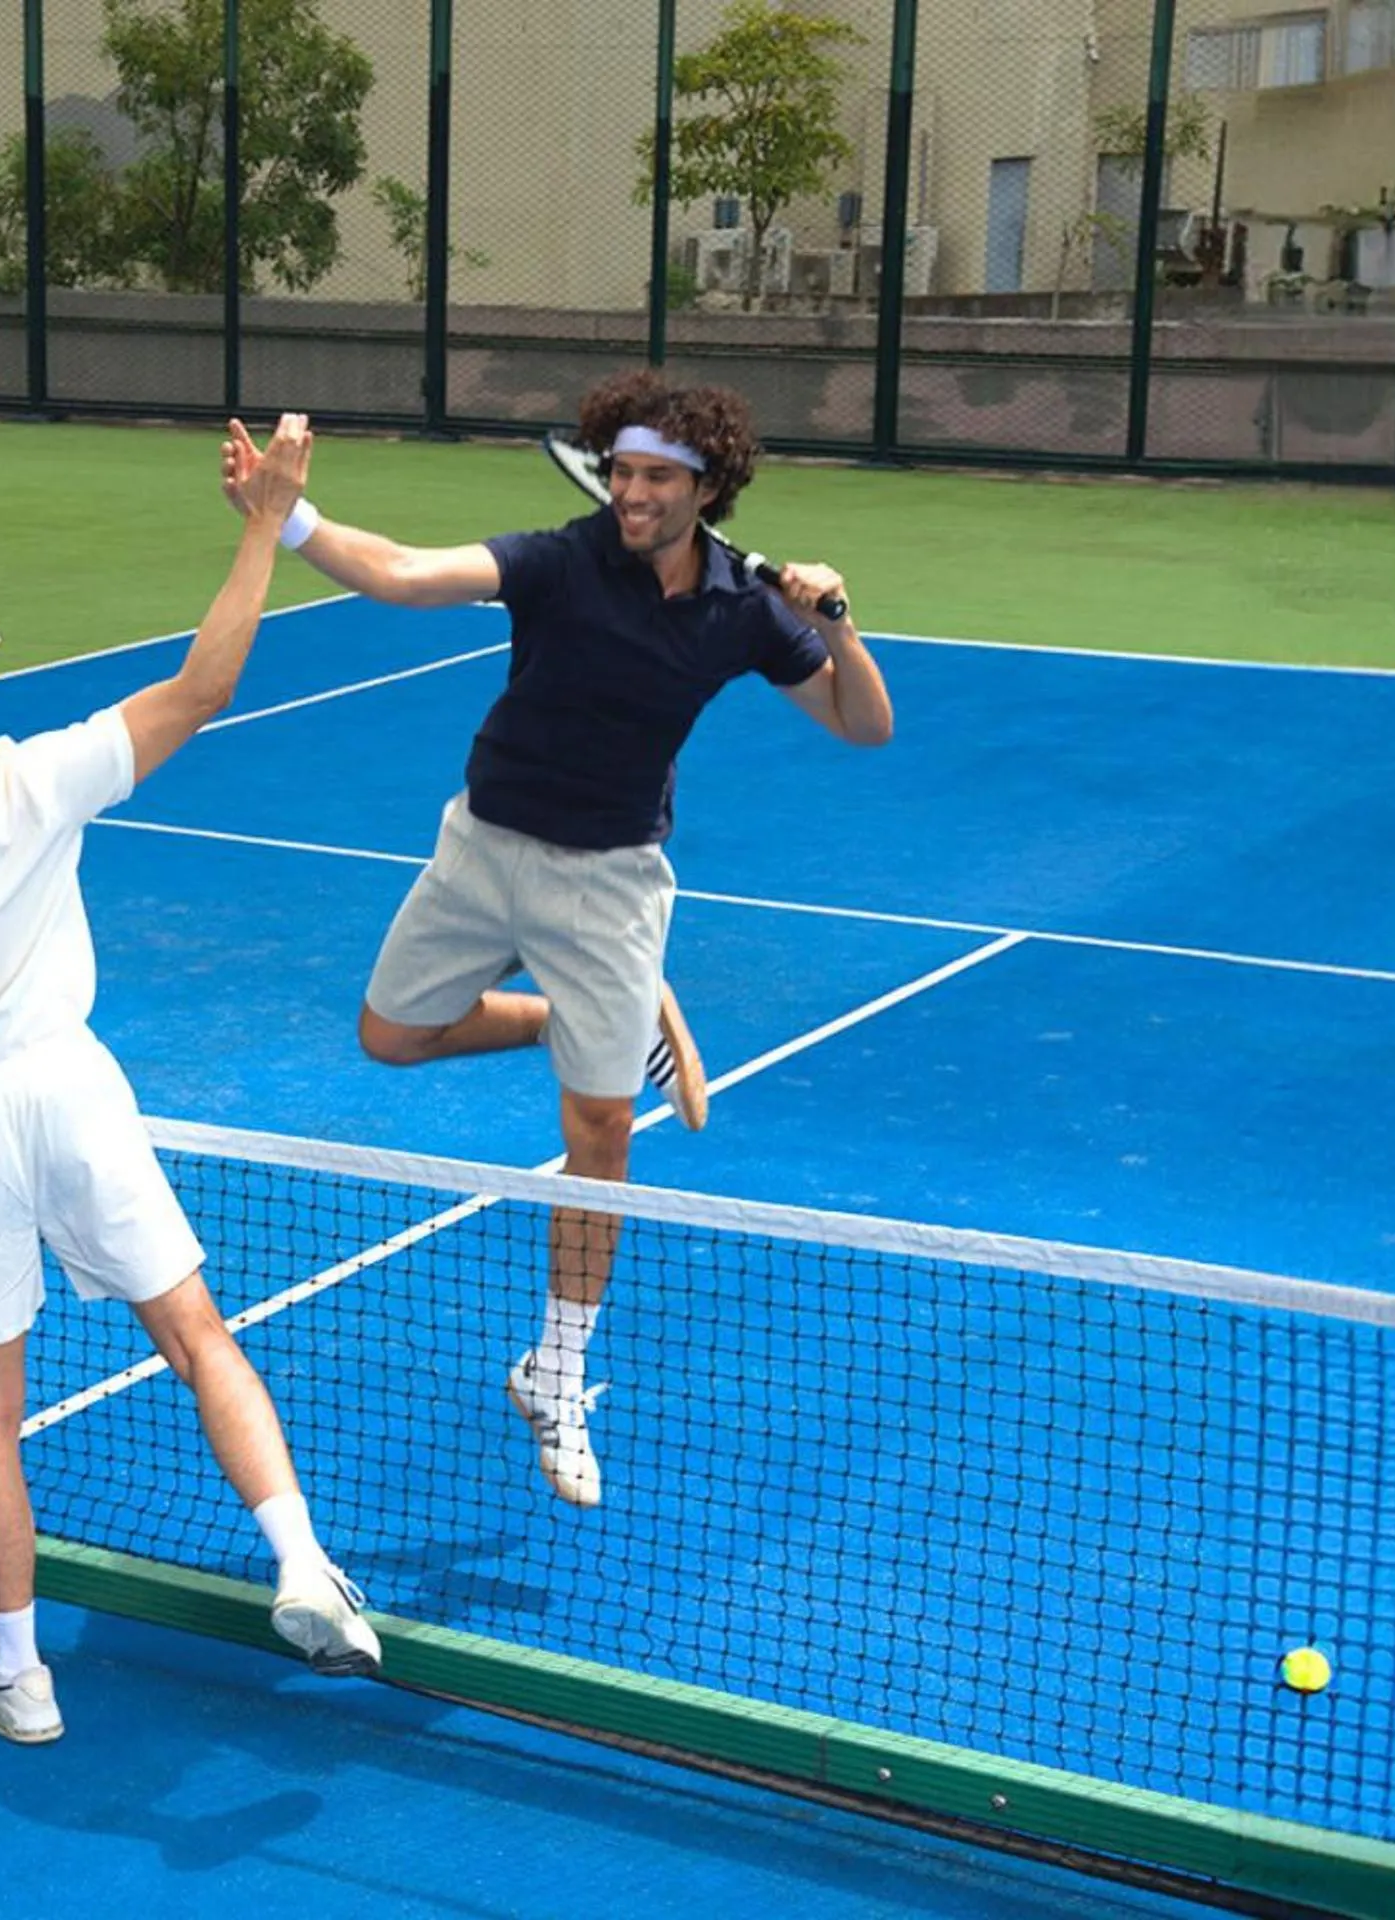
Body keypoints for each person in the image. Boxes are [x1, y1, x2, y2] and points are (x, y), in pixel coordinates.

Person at [0, 415, 380, 1746]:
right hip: (68, 1089)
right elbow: (206, 685)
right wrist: (257, 528)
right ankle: (299, 1564)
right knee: (197, 1335)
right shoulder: (31, 781)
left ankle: (18, 1675)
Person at [221, 371, 893, 1510]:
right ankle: (606, 1023)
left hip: (610, 886)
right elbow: (403, 574)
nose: (630, 493)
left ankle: (559, 1368)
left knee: (599, 1137)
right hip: (481, 851)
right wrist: (288, 517)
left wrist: (833, 618)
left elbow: (864, 723)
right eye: (621, 471)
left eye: (655, 478)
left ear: (706, 487)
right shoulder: (560, 560)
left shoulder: (746, 608)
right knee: (390, 1036)